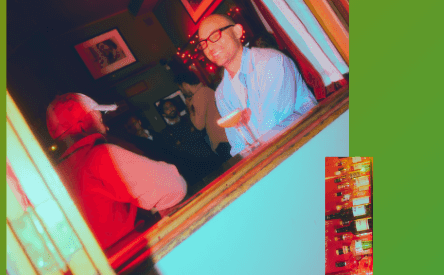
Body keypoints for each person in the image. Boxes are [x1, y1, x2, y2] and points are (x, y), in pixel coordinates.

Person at [47, 93, 187, 250]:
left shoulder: (52, 175)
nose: (106, 127)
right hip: (138, 258)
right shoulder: (100, 156)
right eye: (100, 120)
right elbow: (175, 186)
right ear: (83, 125)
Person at [197, 14, 316, 155]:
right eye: (203, 43)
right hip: (278, 161)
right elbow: (238, 145)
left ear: (237, 32)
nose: (209, 47)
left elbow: (272, 130)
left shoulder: (271, 62)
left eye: (215, 35)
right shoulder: (221, 93)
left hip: (316, 145)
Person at [176, 71, 231, 162]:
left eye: (181, 88)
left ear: (185, 85)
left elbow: (199, 126)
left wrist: (190, 109)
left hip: (222, 140)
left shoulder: (198, 96)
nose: (182, 91)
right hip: (227, 135)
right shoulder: (206, 90)